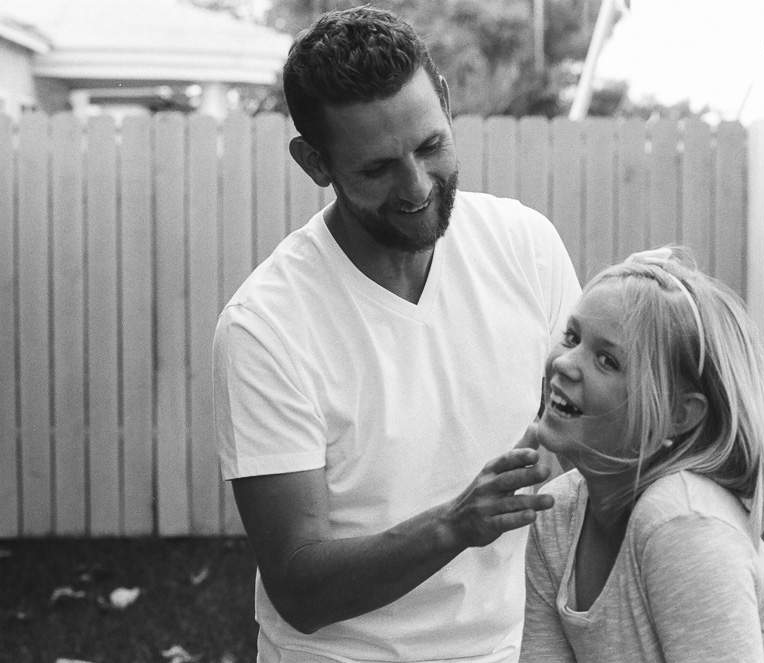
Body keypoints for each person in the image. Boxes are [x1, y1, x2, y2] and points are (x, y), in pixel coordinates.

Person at [212, 6, 580, 662]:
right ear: (314, 163)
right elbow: (300, 587)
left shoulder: (525, 247)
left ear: (443, 102)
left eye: (431, 145)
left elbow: (593, 435)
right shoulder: (265, 326)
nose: (416, 186)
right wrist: (453, 524)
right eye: (378, 169)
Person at [520, 246, 764, 662]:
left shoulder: (682, 521)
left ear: (680, 414)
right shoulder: (556, 514)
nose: (565, 363)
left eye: (607, 361)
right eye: (572, 337)